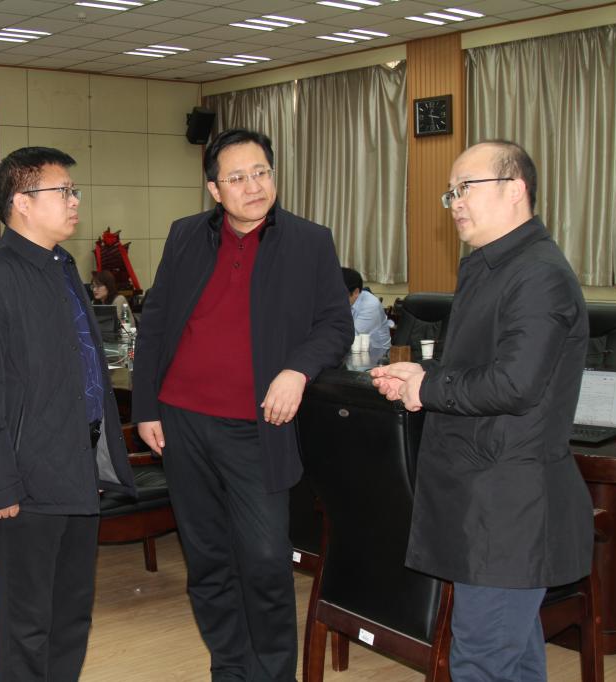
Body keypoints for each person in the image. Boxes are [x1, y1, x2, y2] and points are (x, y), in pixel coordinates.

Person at [132, 128, 353, 681]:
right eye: (237, 178)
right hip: (181, 420)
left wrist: (297, 369)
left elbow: (335, 324)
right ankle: (229, 669)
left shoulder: (309, 241)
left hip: (255, 428)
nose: (254, 186)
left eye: (262, 173)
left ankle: (272, 675)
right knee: (207, 560)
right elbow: (155, 321)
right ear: (214, 189)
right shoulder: (185, 235)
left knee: (265, 560)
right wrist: (146, 406)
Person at [370, 141, 593, 681]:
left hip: (507, 505)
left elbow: (515, 384)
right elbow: (473, 367)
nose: (454, 203)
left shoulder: (538, 274)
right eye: (451, 192)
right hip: (480, 497)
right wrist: (421, 376)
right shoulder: (490, 266)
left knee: (482, 660)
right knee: (511, 658)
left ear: (515, 189)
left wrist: (429, 388)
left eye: (465, 188)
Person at [0, 146, 136, 681]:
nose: (75, 201)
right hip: (25, 478)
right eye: (63, 191)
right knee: (27, 623)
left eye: (74, 191)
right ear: (22, 202)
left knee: (71, 614)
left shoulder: (62, 265)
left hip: (76, 465)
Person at [342, 266, 392, 351]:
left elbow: (350, 339)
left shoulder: (370, 306)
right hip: (355, 353)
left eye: (339, 293)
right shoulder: (343, 302)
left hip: (379, 355)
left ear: (356, 292)